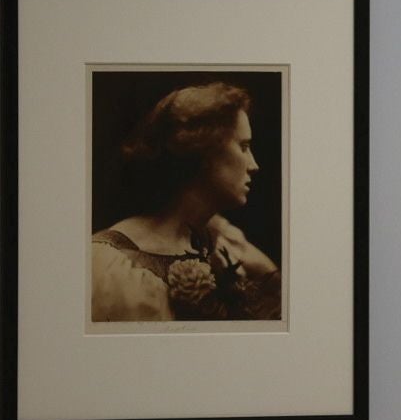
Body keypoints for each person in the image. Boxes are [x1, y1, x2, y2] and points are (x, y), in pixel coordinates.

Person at [91, 81, 282, 322]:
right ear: (204, 152)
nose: (254, 165)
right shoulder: (109, 265)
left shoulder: (224, 244)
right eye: (243, 147)